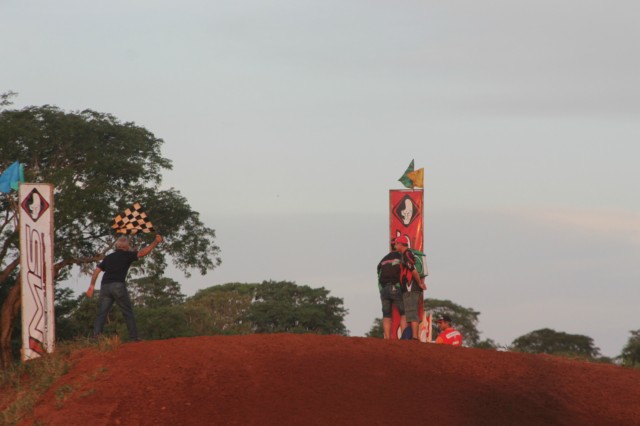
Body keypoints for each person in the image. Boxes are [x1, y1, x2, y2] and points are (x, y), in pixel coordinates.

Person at [87, 234, 163, 341]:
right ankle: (134, 337)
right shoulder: (127, 255)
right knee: (127, 312)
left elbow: (97, 271)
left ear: (117, 246)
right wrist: (155, 242)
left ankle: (96, 336)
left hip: (105, 286)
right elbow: (142, 253)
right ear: (127, 247)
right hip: (118, 286)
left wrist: (91, 285)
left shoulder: (108, 257)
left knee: (102, 313)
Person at [395, 235, 426, 340]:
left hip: (411, 287)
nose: (395, 246)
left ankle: (415, 337)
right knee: (410, 312)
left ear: (400, 244)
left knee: (412, 312)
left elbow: (413, 269)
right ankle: (414, 336)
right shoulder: (406, 254)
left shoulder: (407, 254)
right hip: (410, 287)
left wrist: (419, 283)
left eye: (396, 244)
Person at [377, 239, 406, 339]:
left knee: (386, 315)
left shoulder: (383, 259)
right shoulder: (401, 257)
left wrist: (381, 290)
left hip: (383, 290)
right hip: (395, 287)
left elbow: (378, 274)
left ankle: (387, 338)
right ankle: (404, 338)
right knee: (404, 313)